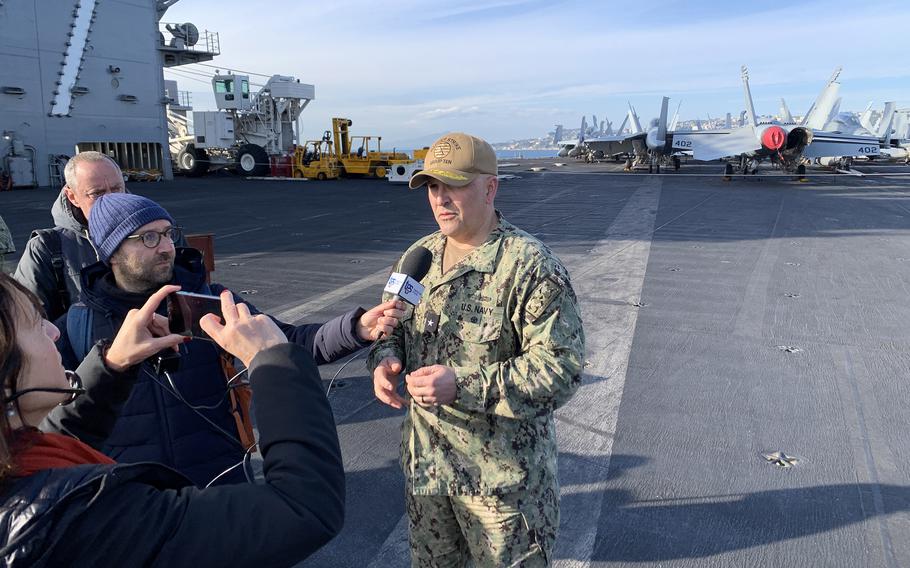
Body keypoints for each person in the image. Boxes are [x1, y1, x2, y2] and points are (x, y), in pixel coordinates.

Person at [51, 192, 403, 487]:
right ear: (112, 253)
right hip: (133, 504)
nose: (166, 248)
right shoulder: (78, 325)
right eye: (147, 237)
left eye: (167, 233)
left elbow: (288, 342)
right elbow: (51, 422)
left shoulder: (208, 302)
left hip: (218, 488)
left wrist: (356, 328)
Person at [0, 274, 345, 566]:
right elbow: (303, 509)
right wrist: (273, 362)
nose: (53, 331)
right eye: (33, 323)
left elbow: (56, 440)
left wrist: (113, 366)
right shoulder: (72, 518)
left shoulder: (17, 458)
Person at [368, 133, 586, 567]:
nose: (440, 198)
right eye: (432, 186)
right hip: (428, 473)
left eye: (453, 184)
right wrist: (384, 361)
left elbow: (560, 369)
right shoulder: (418, 257)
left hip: (503, 492)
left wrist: (462, 386)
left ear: (490, 188)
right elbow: (388, 325)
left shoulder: (530, 266)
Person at [13, 152, 127, 321]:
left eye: (117, 189)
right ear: (72, 196)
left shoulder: (155, 233)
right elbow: (28, 324)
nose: (111, 200)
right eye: (97, 193)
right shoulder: (46, 249)